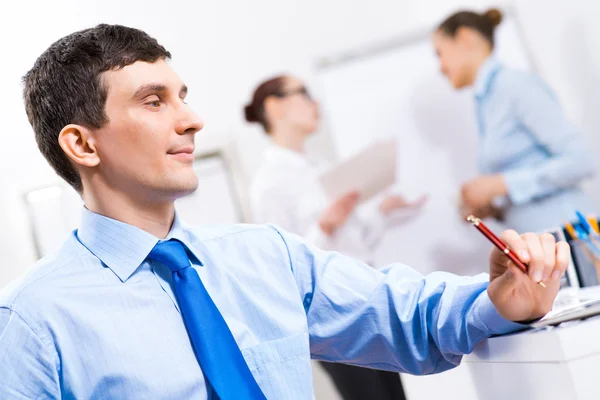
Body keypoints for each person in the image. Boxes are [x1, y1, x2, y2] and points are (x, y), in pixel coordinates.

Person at [0, 24, 569, 399]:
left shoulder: (265, 256)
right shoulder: (33, 318)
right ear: (83, 145)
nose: (192, 119)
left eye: (183, 96)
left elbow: (406, 317)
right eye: (154, 101)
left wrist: (496, 303)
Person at [245, 75, 427, 400]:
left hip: (368, 303)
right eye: (304, 95)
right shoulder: (269, 183)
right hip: (333, 319)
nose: (316, 105)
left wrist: (382, 211)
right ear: (275, 107)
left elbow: (354, 246)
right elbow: (283, 266)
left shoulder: (320, 167)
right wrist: (326, 226)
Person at [433, 8, 596, 233]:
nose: (440, 67)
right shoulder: (485, 103)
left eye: (440, 53)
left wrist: (500, 185)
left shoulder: (515, 87)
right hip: (547, 249)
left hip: (578, 242)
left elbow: (582, 161)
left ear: (464, 38)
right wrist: (494, 206)